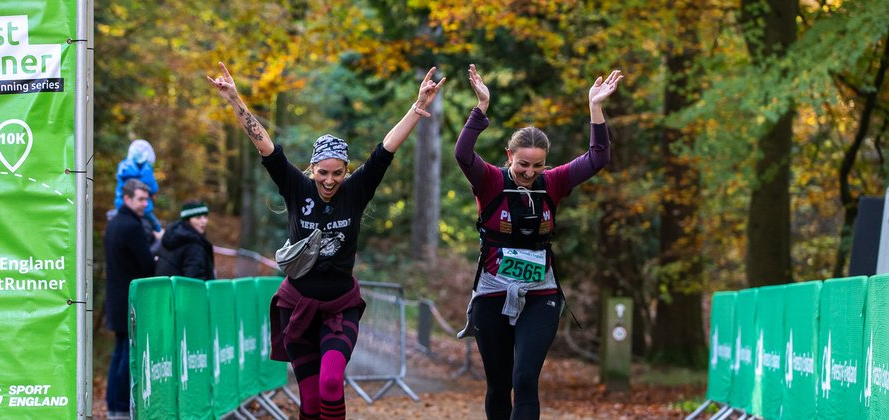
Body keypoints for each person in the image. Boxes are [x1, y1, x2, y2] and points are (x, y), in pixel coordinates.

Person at [207, 62, 444, 420]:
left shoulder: (356, 192)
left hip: (339, 308)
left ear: (346, 171)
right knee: (311, 403)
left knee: (331, 383)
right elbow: (266, 146)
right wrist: (236, 100)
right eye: (323, 172)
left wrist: (416, 107)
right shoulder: (296, 189)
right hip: (297, 307)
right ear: (312, 169)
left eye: (337, 173)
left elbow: (385, 150)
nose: (330, 181)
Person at [455, 64, 622, 419]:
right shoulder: (490, 182)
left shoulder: (554, 182)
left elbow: (598, 158)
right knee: (500, 384)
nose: (530, 174)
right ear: (509, 156)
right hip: (492, 292)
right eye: (523, 166)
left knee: (525, 378)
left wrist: (595, 108)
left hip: (541, 293)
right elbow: (463, 155)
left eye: (538, 166)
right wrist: (481, 108)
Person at [104, 178, 157, 419]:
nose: (145, 204)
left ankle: (114, 407)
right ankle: (123, 409)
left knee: (118, 354)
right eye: (140, 199)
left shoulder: (114, 223)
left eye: (146, 200)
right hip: (129, 301)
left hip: (115, 298)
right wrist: (156, 249)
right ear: (127, 199)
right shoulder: (132, 226)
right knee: (126, 357)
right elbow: (146, 264)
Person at [111, 139, 163, 244]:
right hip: (143, 209)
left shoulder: (123, 167)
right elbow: (153, 188)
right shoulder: (146, 170)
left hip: (120, 206)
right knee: (156, 226)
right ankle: (160, 234)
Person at [155, 200, 216, 280]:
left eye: (205, 216)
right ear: (188, 220)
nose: (204, 221)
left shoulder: (172, 236)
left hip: (164, 290)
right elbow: (195, 281)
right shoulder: (194, 246)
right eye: (198, 217)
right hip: (182, 291)